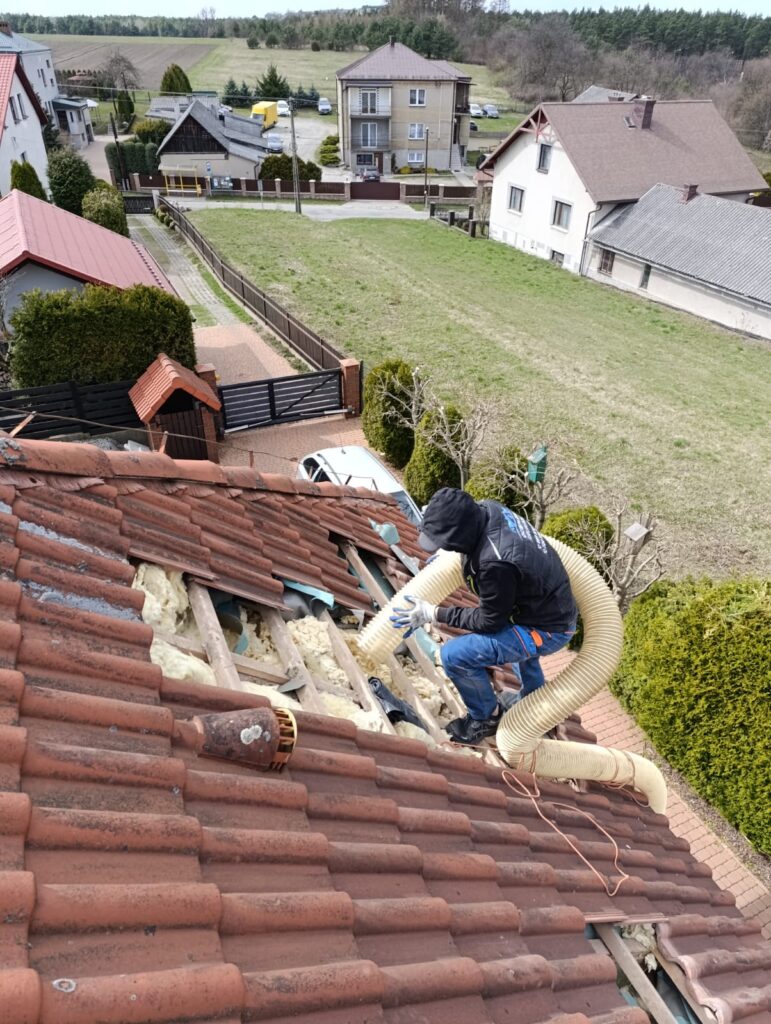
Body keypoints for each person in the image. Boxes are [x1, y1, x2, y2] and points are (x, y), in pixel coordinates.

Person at [390, 487, 577, 745]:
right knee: (524, 656)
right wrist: (447, 552)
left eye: (446, 542)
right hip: (547, 606)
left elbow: (489, 621)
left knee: (454, 655)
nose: (443, 546)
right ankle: (533, 703)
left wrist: (433, 613)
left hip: (547, 628)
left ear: (461, 535)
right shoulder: (487, 508)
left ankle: (486, 717)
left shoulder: (495, 563)